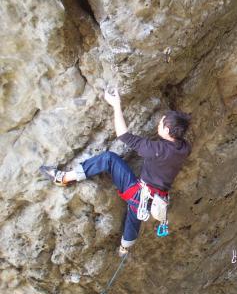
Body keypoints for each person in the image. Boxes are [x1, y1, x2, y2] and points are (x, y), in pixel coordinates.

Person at [40, 88, 192, 257]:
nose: (158, 124)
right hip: (157, 200)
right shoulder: (184, 148)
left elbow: (123, 135)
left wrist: (116, 105)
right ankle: (124, 248)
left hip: (140, 194)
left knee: (109, 159)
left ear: (168, 131)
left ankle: (63, 178)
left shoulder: (157, 149)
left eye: (161, 123)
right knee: (134, 216)